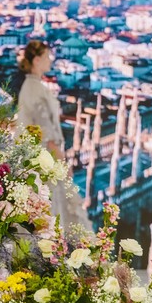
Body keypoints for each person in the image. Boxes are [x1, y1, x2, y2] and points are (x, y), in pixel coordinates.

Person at [16, 40, 92, 234]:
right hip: (46, 162)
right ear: (38, 59)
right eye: (48, 56)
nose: (51, 60)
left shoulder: (31, 87)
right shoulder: (36, 90)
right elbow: (47, 133)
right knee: (55, 215)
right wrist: (63, 165)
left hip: (39, 160)